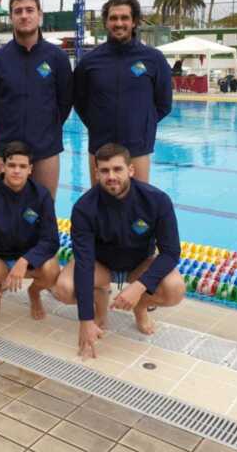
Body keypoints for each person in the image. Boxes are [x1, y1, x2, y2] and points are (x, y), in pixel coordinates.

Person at [53, 143, 185, 359]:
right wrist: (85, 321)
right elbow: (84, 263)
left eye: (117, 169)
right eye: (104, 171)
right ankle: (100, 307)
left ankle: (140, 307)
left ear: (130, 170)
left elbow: (171, 253)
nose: (111, 176)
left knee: (174, 289)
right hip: (101, 266)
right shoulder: (84, 208)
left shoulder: (156, 200)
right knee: (64, 288)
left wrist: (140, 287)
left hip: (138, 266)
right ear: (96, 173)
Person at [0, 0, 73, 199]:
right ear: (11, 17)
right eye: (18, 11)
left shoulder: (57, 58)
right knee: (4, 212)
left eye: (29, 10)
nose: (24, 15)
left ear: (39, 15)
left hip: (45, 149)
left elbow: (65, 101)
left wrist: (46, 128)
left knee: (45, 210)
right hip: (7, 151)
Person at [73, 0, 172, 185]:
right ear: (106, 22)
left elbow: (164, 104)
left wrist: (140, 125)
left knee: (140, 206)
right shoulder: (90, 62)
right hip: (100, 148)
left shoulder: (153, 59)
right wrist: (98, 125)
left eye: (124, 18)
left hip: (138, 148)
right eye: (113, 18)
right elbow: (79, 102)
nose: (119, 23)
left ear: (134, 21)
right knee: (99, 206)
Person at [0, 141, 60, 319]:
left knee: (52, 270)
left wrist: (25, 260)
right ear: (3, 167)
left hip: (28, 257)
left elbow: (51, 239)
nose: (17, 171)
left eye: (22, 166)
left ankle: (34, 293)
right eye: (12, 165)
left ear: (30, 169)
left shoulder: (41, 196)